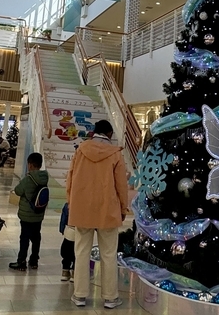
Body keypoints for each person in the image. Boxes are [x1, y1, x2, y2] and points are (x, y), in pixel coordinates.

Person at [65, 120, 129, 309]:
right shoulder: (115, 154)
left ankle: (79, 295)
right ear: (109, 134)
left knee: (82, 251)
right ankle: (110, 297)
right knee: (108, 254)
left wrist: (71, 203)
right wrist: (123, 209)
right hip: (107, 209)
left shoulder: (81, 150)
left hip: (82, 208)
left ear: (94, 132)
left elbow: (70, 177)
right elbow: (121, 186)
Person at [10, 152, 50, 271]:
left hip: (27, 216)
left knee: (24, 238)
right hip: (38, 214)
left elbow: (17, 191)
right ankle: (34, 261)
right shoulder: (44, 178)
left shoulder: (28, 179)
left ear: (30, 165)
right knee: (36, 238)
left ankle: (21, 262)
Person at [59, 202, 75, 282]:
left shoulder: (68, 205)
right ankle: (74, 273)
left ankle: (65, 272)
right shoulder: (86, 203)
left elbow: (63, 218)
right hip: (81, 233)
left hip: (69, 231)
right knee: (77, 254)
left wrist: (62, 229)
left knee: (66, 253)